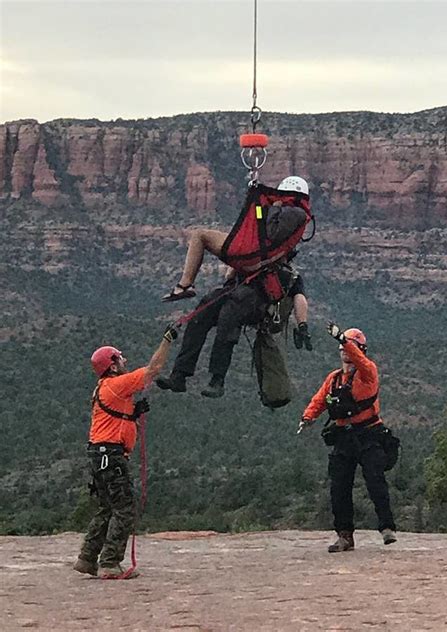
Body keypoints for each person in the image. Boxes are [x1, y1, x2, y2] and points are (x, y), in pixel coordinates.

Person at [73, 324, 178, 579]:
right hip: (111, 455)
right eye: (119, 358)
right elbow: (153, 369)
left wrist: (132, 414)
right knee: (125, 507)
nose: (124, 360)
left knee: (107, 507)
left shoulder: (103, 389)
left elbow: (112, 417)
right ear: (111, 365)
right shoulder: (117, 385)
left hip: (99, 454)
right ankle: (109, 563)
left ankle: (87, 558)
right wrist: (167, 340)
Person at [298, 322, 397, 553]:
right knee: (339, 487)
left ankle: (387, 527)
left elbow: (360, 360)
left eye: (349, 349)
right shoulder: (334, 379)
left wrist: (344, 340)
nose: (345, 353)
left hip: (369, 434)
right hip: (344, 436)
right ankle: (344, 536)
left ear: (360, 350)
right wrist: (308, 417)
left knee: (375, 481)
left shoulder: (368, 372)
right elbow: (320, 399)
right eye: (342, 349)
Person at [157, 256, 312, 398]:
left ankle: (217, 379)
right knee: (201, 314)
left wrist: (302, 324)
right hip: (233, 293)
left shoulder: (287, 274)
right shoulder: (257, 258)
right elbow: (229, 276)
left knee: (229, 317)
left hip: (255, 304)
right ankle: (179, 375)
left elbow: (299, 297)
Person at [162, 176, 309, 302]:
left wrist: (275, 207)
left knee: (200, 235)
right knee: (229, 239)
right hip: (258, 252)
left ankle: (185, 284)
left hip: (254, 253)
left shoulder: (294, 212)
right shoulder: (297, 215)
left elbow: (272, 232)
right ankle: (230, 281)